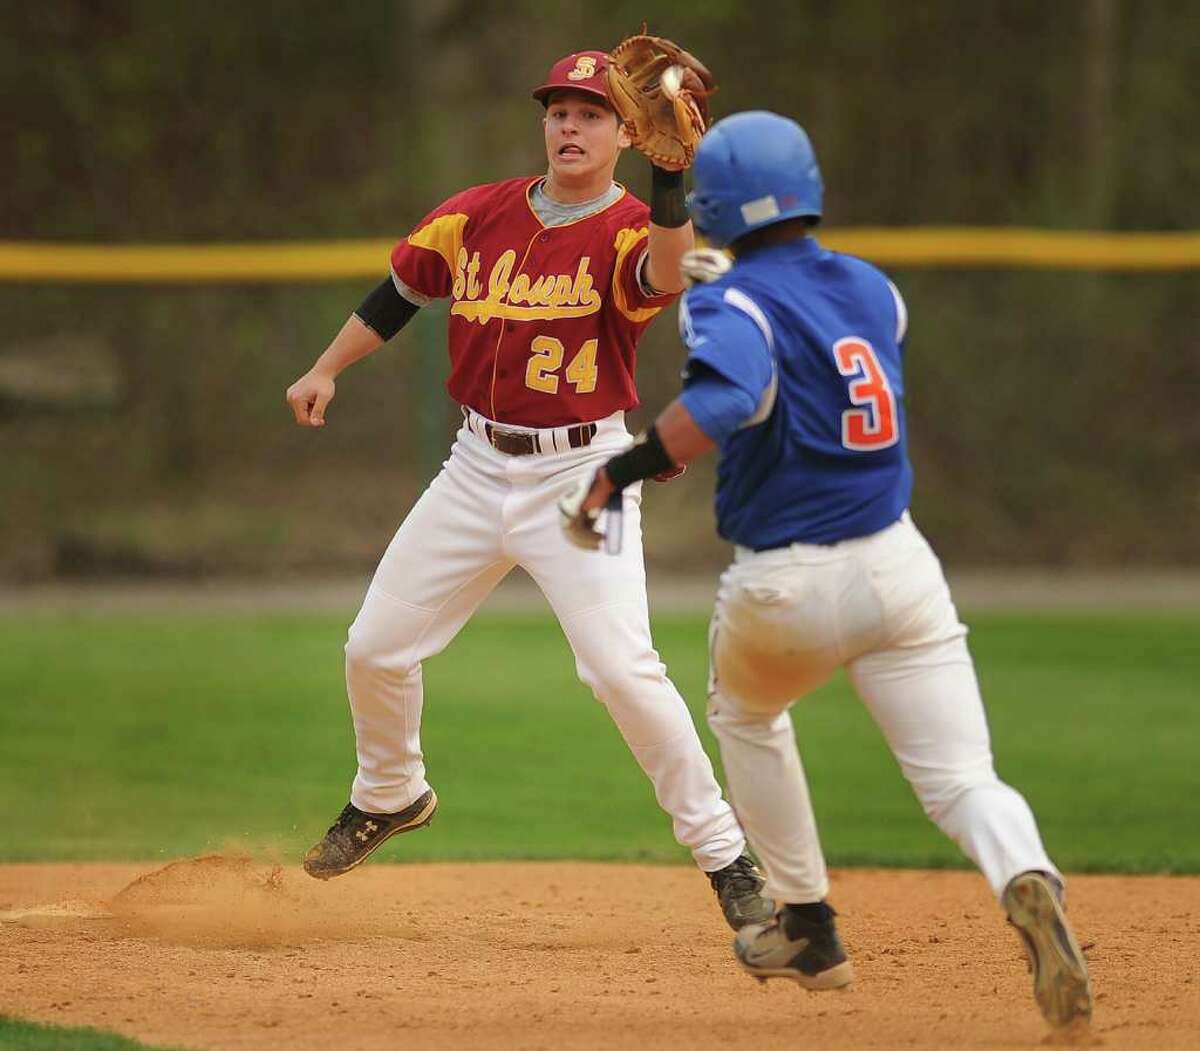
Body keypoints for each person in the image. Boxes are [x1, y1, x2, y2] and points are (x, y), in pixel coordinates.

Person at [559, 110, 1094, 1029]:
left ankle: (807, 922)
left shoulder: (727, 304)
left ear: (720, 205)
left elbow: (727, 395)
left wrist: (620, 470)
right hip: (900, 568)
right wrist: (717, 282)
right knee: (963, 779)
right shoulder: (875, 291)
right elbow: (789, 316)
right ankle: (1024, 873)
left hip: (785, 585)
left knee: (748, 714)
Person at [283, 50, 772, 931]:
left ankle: (726, 855)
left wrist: (671, 180)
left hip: (579, 473)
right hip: (474, 466)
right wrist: (326, 367)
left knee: (621, 670)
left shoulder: (631, 225)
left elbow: (666, 274)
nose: (570, 127)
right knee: (374, 646)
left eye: (592, 114)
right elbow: (398, 293)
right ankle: (389, 792)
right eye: (560, 111)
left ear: (628, 133)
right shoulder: (476, 214)